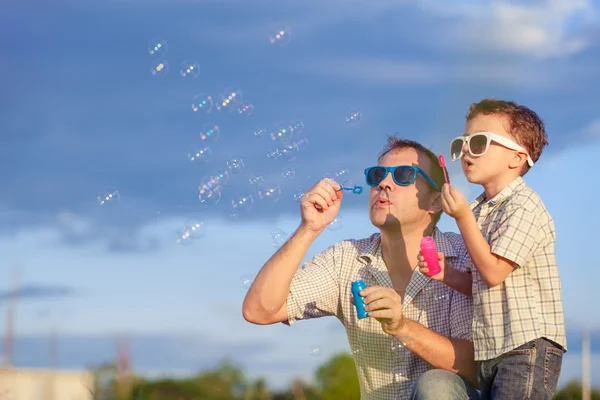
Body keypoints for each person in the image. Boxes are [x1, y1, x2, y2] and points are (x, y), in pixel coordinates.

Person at [242, 136, 480, 400]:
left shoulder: (464, 256)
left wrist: (401, 326)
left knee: (438, 385)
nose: (383, 183)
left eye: (403, 175)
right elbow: (259, 310)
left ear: (436, 200)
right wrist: (309, 228)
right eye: (377, 174)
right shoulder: (346, 259)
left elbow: (477, 365)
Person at [417, 99, 567, 399]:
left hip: (527, 346)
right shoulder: (478, 211)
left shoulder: (524, 205)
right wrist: (446, 273)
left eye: (480, 142)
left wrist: (460, 218)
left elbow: (494, 271)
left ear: (517, 157)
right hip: (491, 348)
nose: (466, 152)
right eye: (463, 143)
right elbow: (479, 283)